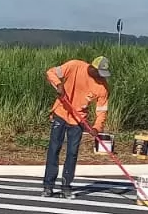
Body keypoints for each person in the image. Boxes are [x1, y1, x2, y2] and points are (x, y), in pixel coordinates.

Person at [43, 55, 111, 198]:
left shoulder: (103, 88)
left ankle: (66, 186)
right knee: (54, 149)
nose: (100, 77)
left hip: (79, 121)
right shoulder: (75, 66)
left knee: (72, 153)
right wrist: (58, 85)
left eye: (102, 74)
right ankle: (48, 186)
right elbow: (51, 72)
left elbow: (102, 111)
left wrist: (97, 127)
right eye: (98, 72)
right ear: (92, 67)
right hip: (61, 113)